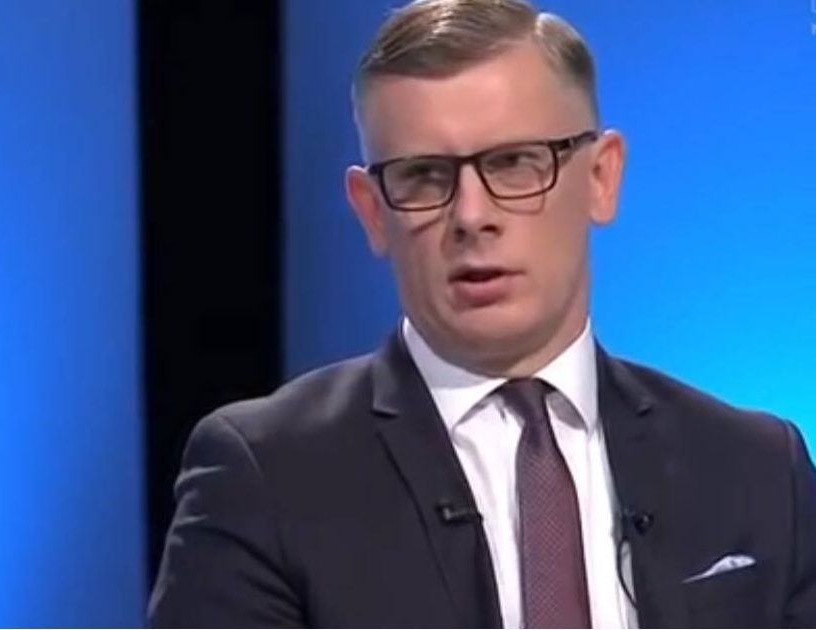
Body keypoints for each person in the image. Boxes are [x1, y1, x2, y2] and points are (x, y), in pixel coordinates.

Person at [148, 0, 816, 627]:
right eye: (423, 176)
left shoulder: (756, 469)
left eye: (515, 163)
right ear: (371, 212)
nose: (471, 216)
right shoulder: (266, 476)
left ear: (601, 178)